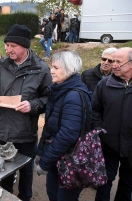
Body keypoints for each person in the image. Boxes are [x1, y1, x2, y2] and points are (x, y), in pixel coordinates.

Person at [0, 24, 52, 201]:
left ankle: (25, 197)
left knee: (26, 171)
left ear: (25, 46)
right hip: (3, 129)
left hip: (25, 132)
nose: (8, 50)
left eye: (12, 46)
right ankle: (5, 196)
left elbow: (49, 99)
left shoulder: (41, 69)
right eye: (6, 45)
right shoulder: (2, 66)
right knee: (5, 169)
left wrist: (33, 105)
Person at [36, 50, 92, 201]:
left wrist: (45, 161)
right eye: (51, 66)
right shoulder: (59, 91)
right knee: (53, 193)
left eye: (56, 68)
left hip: (70, 161)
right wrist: (41, 152)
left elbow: (67, 135)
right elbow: (49, 128)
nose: (51, 71)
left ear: (69, 69)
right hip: (58, 158)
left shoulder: (73, 96)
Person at [92, 47, 132, 201]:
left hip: (131, 149)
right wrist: (100, 130)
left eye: (118, 62)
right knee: (104, 182)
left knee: (127, 184)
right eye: (113, 60)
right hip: (108, 146)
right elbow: (95, 110)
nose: (113, 65)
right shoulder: (104, 84)